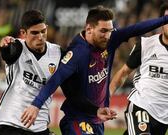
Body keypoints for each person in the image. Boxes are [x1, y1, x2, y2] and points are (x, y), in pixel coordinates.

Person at [21, 5, 168, 135]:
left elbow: (137, 28)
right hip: (77, 120)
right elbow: (56, 79)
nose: (108, 36)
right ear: (89, 29)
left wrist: (164, 20)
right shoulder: (78, 53)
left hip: (97, 120)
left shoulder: (111, 39)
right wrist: (36, 105)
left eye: (110, 30)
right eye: (103, 31)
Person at [0, 9, 62, 135]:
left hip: (39, 126)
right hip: (9, 123)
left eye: (43, 31)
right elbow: (8, 54)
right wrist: (5, 47)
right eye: (34, 33)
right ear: (23, 33)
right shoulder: (17, 47)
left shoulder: (58, 53)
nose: (40, 37)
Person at [109, 3, 168, 135]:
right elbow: (124, 72)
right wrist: (107, 97)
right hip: (141, 105)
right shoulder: (146, 44)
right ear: (161, 23)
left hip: (163, 116)